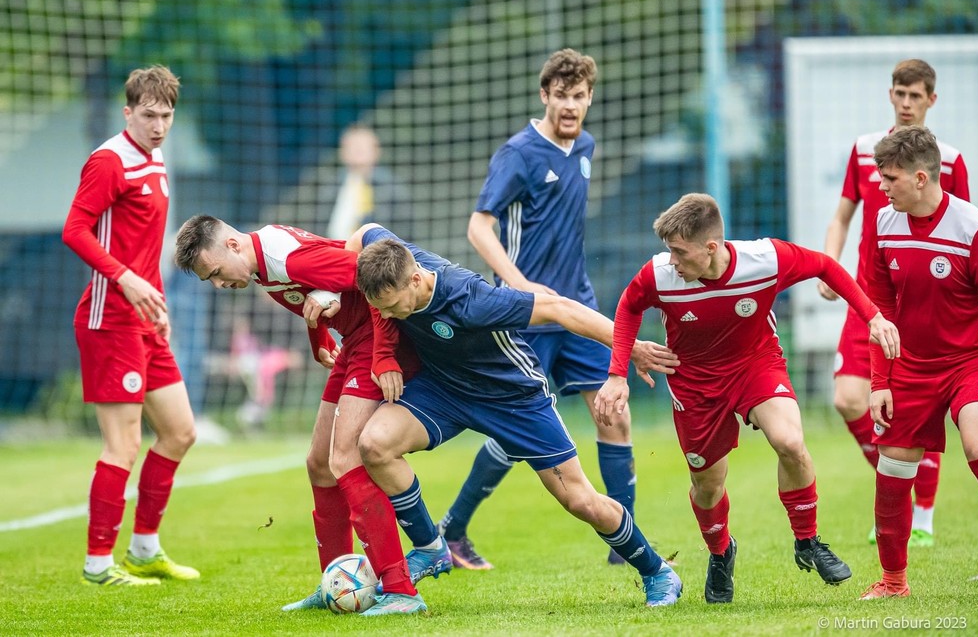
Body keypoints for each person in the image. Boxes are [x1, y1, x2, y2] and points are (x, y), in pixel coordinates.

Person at [349, 224, 684, 608]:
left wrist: (631, 348)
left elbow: (560, 309)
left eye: (392, 305)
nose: (387, 315)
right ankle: (430, 547)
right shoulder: (389, 257)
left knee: (580, 501)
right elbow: (363, 233)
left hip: (513, 399)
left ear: (415, 279)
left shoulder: (472, 299)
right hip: (444, 389)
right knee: (374, 445)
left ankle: (657, 571)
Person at [595, 193, 901, 604]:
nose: (671, 261)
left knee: (790, 441)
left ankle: (808, 540)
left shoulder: (765, 260)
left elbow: (826, 266)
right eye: (668, 251)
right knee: (707, 484)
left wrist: (874, 316)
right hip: (695, 383)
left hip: (756, 366)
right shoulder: (659, 275)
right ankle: (721, 554)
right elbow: (629, 306)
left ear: (711, 247)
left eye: (679, 252)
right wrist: (617, 373)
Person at [437, 48, 636, 569]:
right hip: (530, 319)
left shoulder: (587, 145)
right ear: (544, 95)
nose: (570, 106)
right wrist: (521, 287)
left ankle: (625, 546)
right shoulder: (519, 154)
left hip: (579, 306)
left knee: (614, 414)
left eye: (580, 96)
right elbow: (479, 226)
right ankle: (452, 531)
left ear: (589, 98)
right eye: (561, 95)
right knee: (516, 434)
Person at [173, 215, 427, 615]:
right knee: (319, 465)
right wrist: (319, 334)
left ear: (234, 245)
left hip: (373, 344)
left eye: (217, 273)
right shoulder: (262, 265)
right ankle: (336, 582)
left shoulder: (284, 258)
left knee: (345, 458)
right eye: (211, 281)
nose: (220, 285)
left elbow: (373, 279)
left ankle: (401, 590)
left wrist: (383, 356)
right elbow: (319, 291)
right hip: (352, 343)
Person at [819, 59, 969, 547]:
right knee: (846, 398)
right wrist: (830, 263)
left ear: (931, 100)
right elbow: (843, 216)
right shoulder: (866, 152)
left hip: (923, 307)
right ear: (890, 96)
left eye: (915, 95)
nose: (907, 103)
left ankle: (922, 514)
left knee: (922, 409)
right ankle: (898, 483)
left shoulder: (949, 159)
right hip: (869, 299)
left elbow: (961, 229)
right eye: (899, 94)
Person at [61, 65, 199, 586]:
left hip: (146, 320)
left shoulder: (157, 157)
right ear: (128, 112)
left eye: (166, 116)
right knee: (122, 444)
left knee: (181, 432)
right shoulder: (108, 160)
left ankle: (144, 549)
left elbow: (144, 250)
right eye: (148, 115)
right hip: (109, 321)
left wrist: (157, 304)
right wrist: (125, 281)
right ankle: (99, 563)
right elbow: (74, 230)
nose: (159, 125)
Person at [860, 126, 978, 598]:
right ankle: (894, 582)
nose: (880, 185)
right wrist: (881, 380)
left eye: (889, 177)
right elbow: (880, 308)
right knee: (893, 467)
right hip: (911, 367)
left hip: (972, 360)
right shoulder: (882, 222)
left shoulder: (975, 229)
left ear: (920, 178)